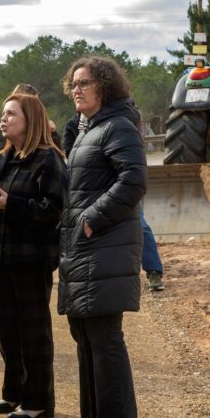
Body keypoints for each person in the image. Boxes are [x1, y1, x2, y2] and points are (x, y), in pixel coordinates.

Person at [57, 56, 146, 418]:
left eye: (85, 82)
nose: (77, 89)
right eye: (74, 83)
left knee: (104, 335)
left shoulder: (118, 126)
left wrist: (93, 217)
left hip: (104, 244)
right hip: (84, 245)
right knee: (84, 332)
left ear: (104, 86)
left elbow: (134, 180)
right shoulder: (87, 128)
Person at [0, 93, 66, 418]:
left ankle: (38, 400)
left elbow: (53, 211)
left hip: (31, 260)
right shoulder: (1, 158)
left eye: (11, 113)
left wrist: (10, 205)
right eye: (3, 113)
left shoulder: (49, 160)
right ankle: (14, 392)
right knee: (5, 327)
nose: (4, 118)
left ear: (31, 120)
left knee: (32, 331)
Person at [63, 109, 164, 292]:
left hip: (117, 185)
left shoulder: (122, 118)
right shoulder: (73, 125)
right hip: (89, 190)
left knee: (140, 224)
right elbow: (72, 157)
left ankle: (153, 270)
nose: (78, 92)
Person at [0, 84, 61, 155]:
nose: (35, 105)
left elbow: (57, 153)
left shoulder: (41, 129)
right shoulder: (2, 131)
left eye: (36, 101)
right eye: (31, 100)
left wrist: (53, 133)